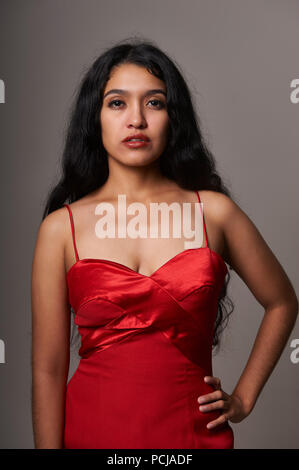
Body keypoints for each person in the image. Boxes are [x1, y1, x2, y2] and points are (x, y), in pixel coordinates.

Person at [31, 39, 298, 449]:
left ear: (174, 118)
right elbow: (48, 370)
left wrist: (243, 398)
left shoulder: (214, 213)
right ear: (95, 118)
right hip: (93, 434)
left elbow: (283, 302)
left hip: (193, 438)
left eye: (154, 103)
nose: (136, 119)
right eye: (117, 103)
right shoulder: (60, 229)